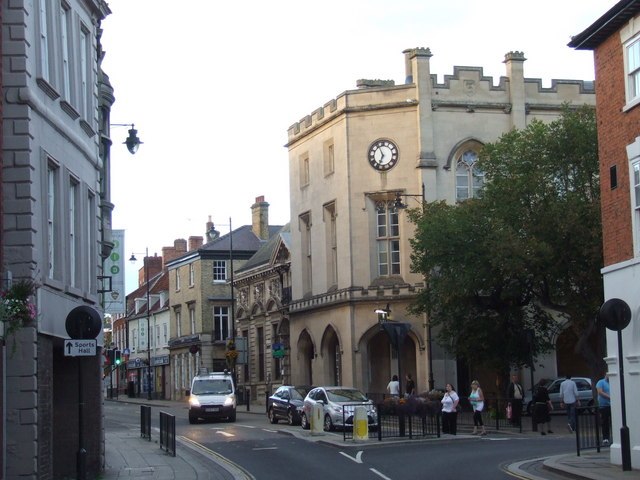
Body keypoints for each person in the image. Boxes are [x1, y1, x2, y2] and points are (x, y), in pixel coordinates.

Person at [596, 373, 611, 445]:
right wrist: (610, 397)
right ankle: (605, 438)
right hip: (604, 406)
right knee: (605, 422)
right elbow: (600, 392)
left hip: (612, 405)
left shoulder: (612, 382)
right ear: (606, 375)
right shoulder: (601, 382)